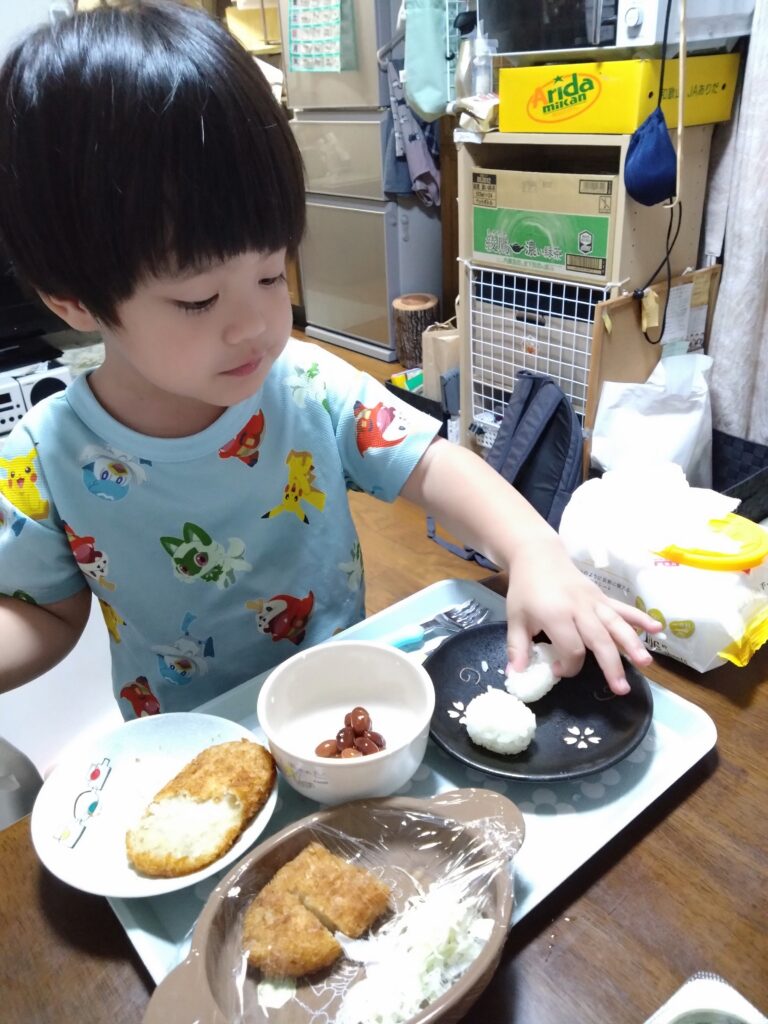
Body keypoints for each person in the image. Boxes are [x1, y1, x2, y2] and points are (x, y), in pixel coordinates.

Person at [0, 0, 659, 719]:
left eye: (270, 273)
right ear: (75, 301)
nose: (257, 325)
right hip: (189, 746)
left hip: (344, 712)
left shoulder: (305, 384)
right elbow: (44, 613)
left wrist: (533, 549)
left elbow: (435, 466)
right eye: (198, 300)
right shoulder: (47, 458)